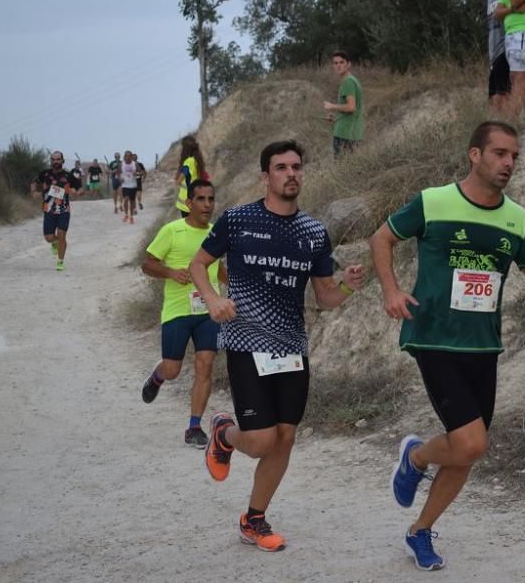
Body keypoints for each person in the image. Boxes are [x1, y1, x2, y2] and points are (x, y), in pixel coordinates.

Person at [368, 121, 525, 571]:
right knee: (472, 443)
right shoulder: (434, 202)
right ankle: (416, 457)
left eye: (513, 155)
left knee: (467, 452)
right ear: (474, 155)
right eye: (499, 153)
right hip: (434, 338)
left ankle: (420, 530)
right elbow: (382, 237)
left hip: (483, 346)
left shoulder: (517, 218)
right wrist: (391, 291)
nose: (508, 163)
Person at [188, 139, 365, 553]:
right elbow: (198, 265)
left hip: (291, 347)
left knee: (285, 437)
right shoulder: (237, 220)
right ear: (265, 176)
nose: (291, 174)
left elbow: (324, 298)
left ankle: (254, 519)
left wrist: (347, 286)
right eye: (281, 168)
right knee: (263, 439)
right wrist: (213, 300)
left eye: (297, 167)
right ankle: (225, 434)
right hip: (247, 341)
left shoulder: (313, 232)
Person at [141, 179, 228, 447]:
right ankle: (157, 376)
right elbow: (147, 264)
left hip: (208, 311)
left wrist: (235, 286)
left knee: (205, 364)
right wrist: (170, 272)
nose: (207, 205)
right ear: (189, 203)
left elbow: (219, 270)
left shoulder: (216, 233)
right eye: (201, 199)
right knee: (173, 369)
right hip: (178, 311)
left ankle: (194, 427)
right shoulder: (172, 231)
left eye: (211, 199)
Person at [31, 150, 75, 272]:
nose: (56, 162)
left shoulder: (68, 176)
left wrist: (74, 192)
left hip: (64, 210)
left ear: (62, 161)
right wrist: (34, 191)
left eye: (58, 159)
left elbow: (76, 190)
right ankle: (54, 242)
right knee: (49, 237)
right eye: (53, 160)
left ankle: (60, 262)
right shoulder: (45, 174)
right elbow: (34, 183)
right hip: (48, 210)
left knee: (62, 236)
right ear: (51, 161)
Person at [481, 0, 513, 115]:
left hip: (506, 49)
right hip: (494, 54)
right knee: (493, 100)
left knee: (503, 96)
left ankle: (511, 128)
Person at [322, 50, 363, 157]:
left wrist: (332, 106)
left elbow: (351, 107)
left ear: (348, 64)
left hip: (345, 135)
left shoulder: (348, 82)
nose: (338, 66)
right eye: (335, 63)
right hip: (352, 134)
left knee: (341, 170)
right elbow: (350, 110)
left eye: (341, 62)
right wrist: (336, 117)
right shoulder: (353, 80)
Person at [175, 136, 206, 219]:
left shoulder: (188, 162)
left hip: (186, 201)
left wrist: (177, 182)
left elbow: (179, 180)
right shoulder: (197, 160)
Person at [120, 150, 138, 223]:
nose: (128, 157)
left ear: (131, 157)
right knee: (126, 199)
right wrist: (119, 178)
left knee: (132, 201)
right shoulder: (122, 164)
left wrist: (136, 173)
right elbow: (118, 172)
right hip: (125, 185)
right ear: (124, 157)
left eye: (129, 156)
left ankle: (131, 216)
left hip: (133, 185)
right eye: (126, 156)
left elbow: (140, 172)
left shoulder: (135, 164)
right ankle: (126, 214)